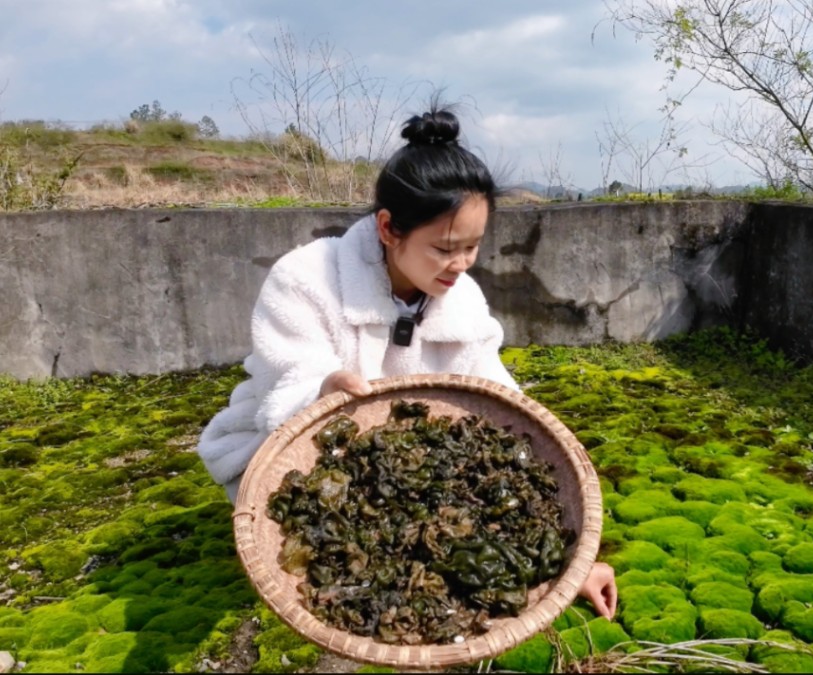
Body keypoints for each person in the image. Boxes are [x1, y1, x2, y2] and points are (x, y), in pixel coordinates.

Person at [197, 104, 618, 621]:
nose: (460, 265)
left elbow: (503, 403)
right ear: (388, 228)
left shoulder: (461, 300)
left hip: (403, 470)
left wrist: (577, 559)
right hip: (284, 444)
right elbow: (287, 374)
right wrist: (322, 388)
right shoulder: (306, 278)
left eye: (472, 246)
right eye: (444, 248)